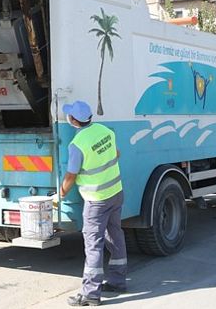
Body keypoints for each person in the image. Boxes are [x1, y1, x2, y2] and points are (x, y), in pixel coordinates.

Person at [59, 100, 127, 307]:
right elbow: (116, 154)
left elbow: (71, 175)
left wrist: (61, 193)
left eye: (69, 115)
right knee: (115, 235)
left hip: (97, 200)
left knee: (93, 244)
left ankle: (91, 293)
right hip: (116, 192)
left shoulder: (77, 144)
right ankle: (117, 281)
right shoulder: (105, 130)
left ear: (73, 120)